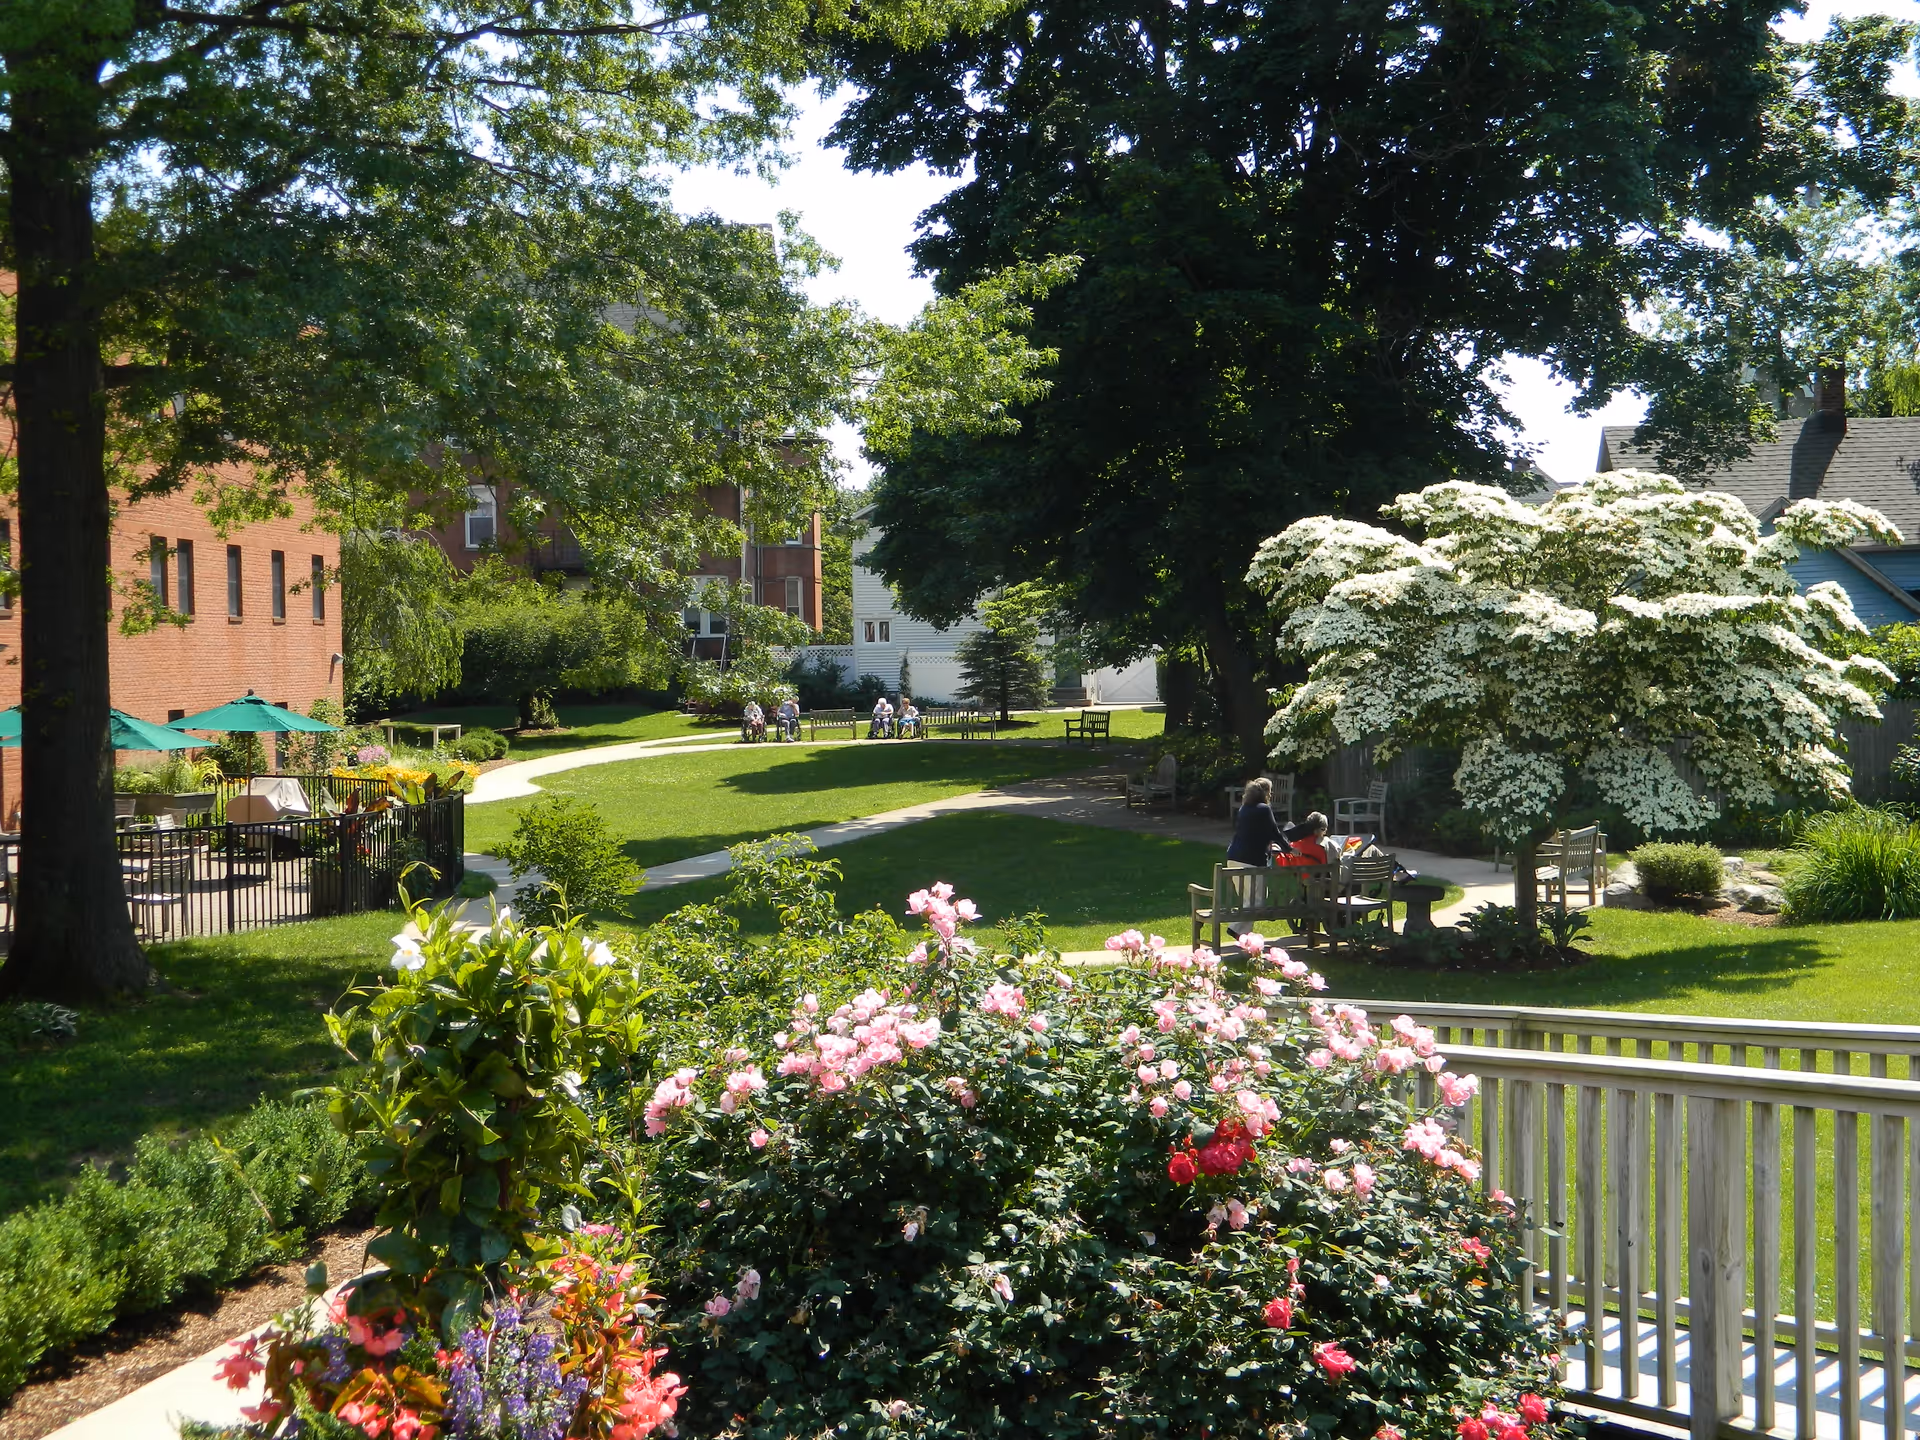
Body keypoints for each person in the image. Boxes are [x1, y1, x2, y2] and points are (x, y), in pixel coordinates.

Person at [1226, 776, 1289, 866]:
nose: (1270, 795)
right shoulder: (1264, 809)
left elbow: (1251, 836)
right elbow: (1275, 833)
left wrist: (1270, 848)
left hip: (1233, 857)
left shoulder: (1243, 808)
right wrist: (1289, 849)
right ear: (1264, 793)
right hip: (1251, 861)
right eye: (1269, 792)